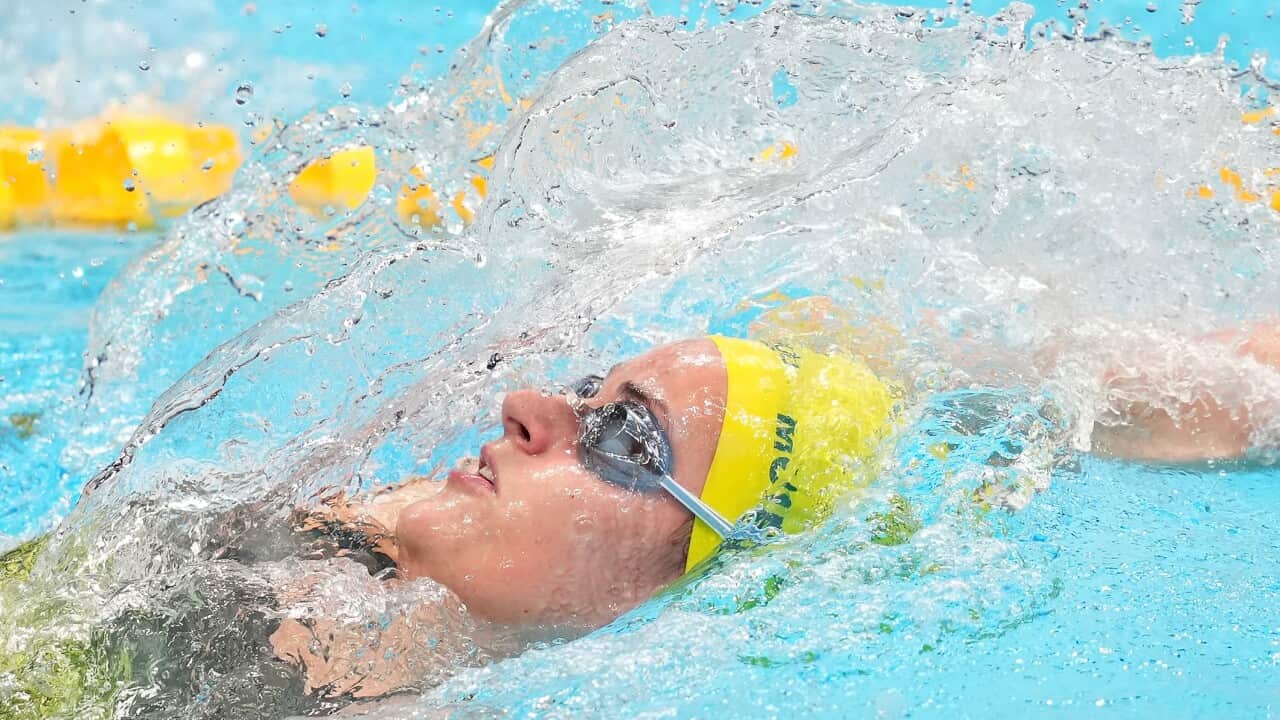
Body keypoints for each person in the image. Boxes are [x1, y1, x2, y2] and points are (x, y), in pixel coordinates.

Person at [269, 299, 1280, 697]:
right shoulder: (287, 556)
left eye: (625, 436)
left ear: (693, 570)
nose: (527, 408)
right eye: (586, 394)